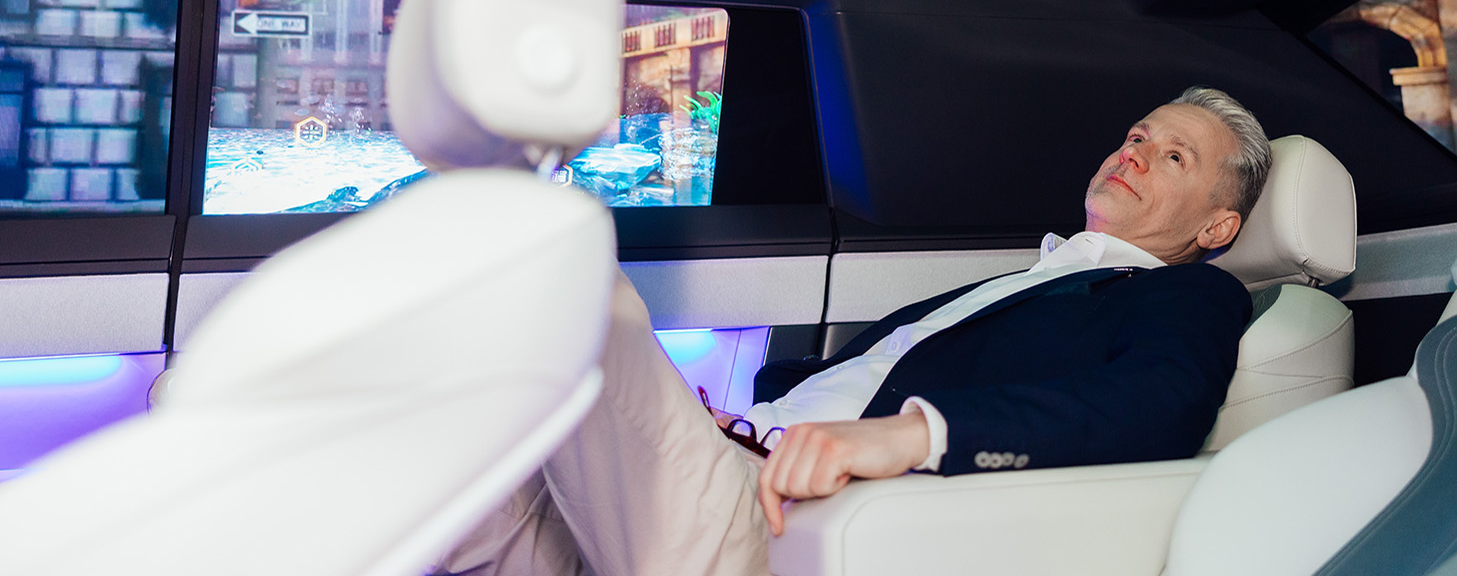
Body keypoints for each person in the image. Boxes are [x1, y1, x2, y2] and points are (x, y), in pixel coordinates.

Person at [436, 86, 1269, 576]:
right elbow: (852, 373)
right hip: (739, 454)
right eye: (1138, 136)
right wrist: (727, 419)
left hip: (766, 510)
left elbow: (1160, 404)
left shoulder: (1187, 294)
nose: (1134, 152)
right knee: (450, 481)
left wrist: (909, 435)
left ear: (1218, 227)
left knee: (571, 274)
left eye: (1174, 157)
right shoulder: (1039, 277)